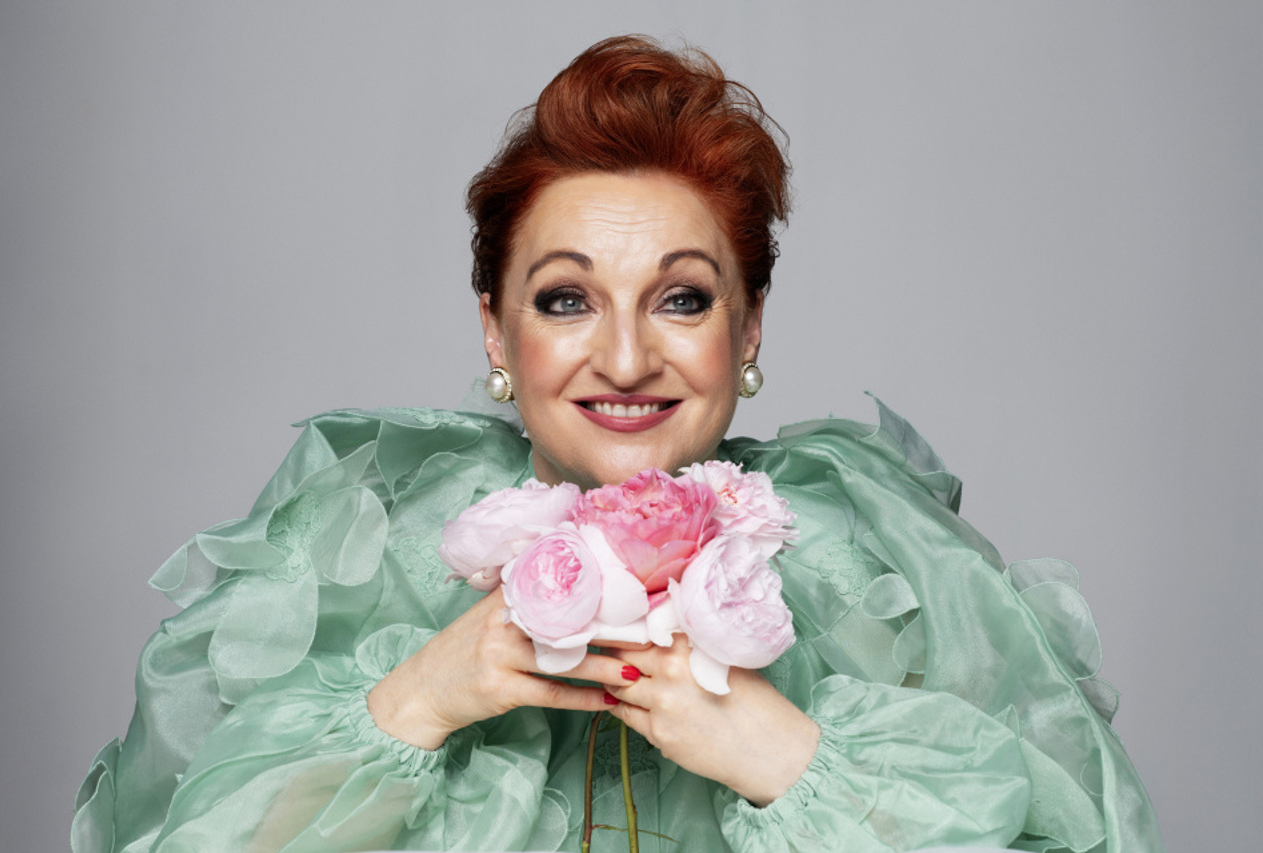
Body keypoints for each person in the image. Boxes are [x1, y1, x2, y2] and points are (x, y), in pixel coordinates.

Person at [72, 36, 1164, 853]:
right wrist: (420, 699)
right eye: (566, 300)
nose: (628, 357)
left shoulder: (878, 571)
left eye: (681, 298)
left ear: (749, 329)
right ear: (495, 332)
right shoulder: (361, 564)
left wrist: (792, 761)